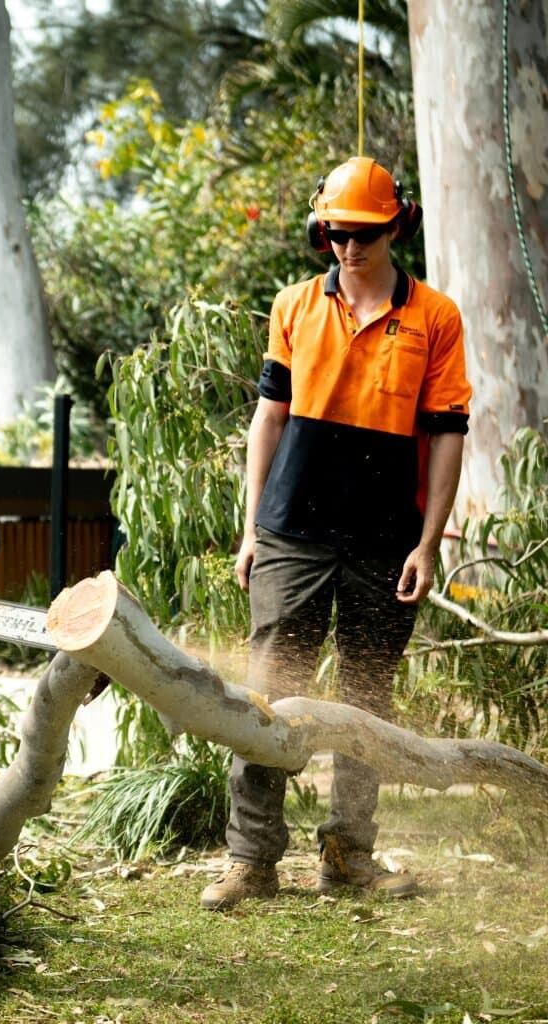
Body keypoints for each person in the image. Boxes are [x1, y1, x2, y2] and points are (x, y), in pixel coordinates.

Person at [200, 156, 472, 910]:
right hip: (291, 531)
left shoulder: (435, 317)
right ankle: (251, 859)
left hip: (388, 539)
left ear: (396, 227)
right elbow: (270, 417)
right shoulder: (294, 305)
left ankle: (349, 853)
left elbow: (449, 432)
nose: (348, 249)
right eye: (335, 234)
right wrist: (253, 528)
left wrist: (428, 541)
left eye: (363, 235)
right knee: (267, 698)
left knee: (367, 699)